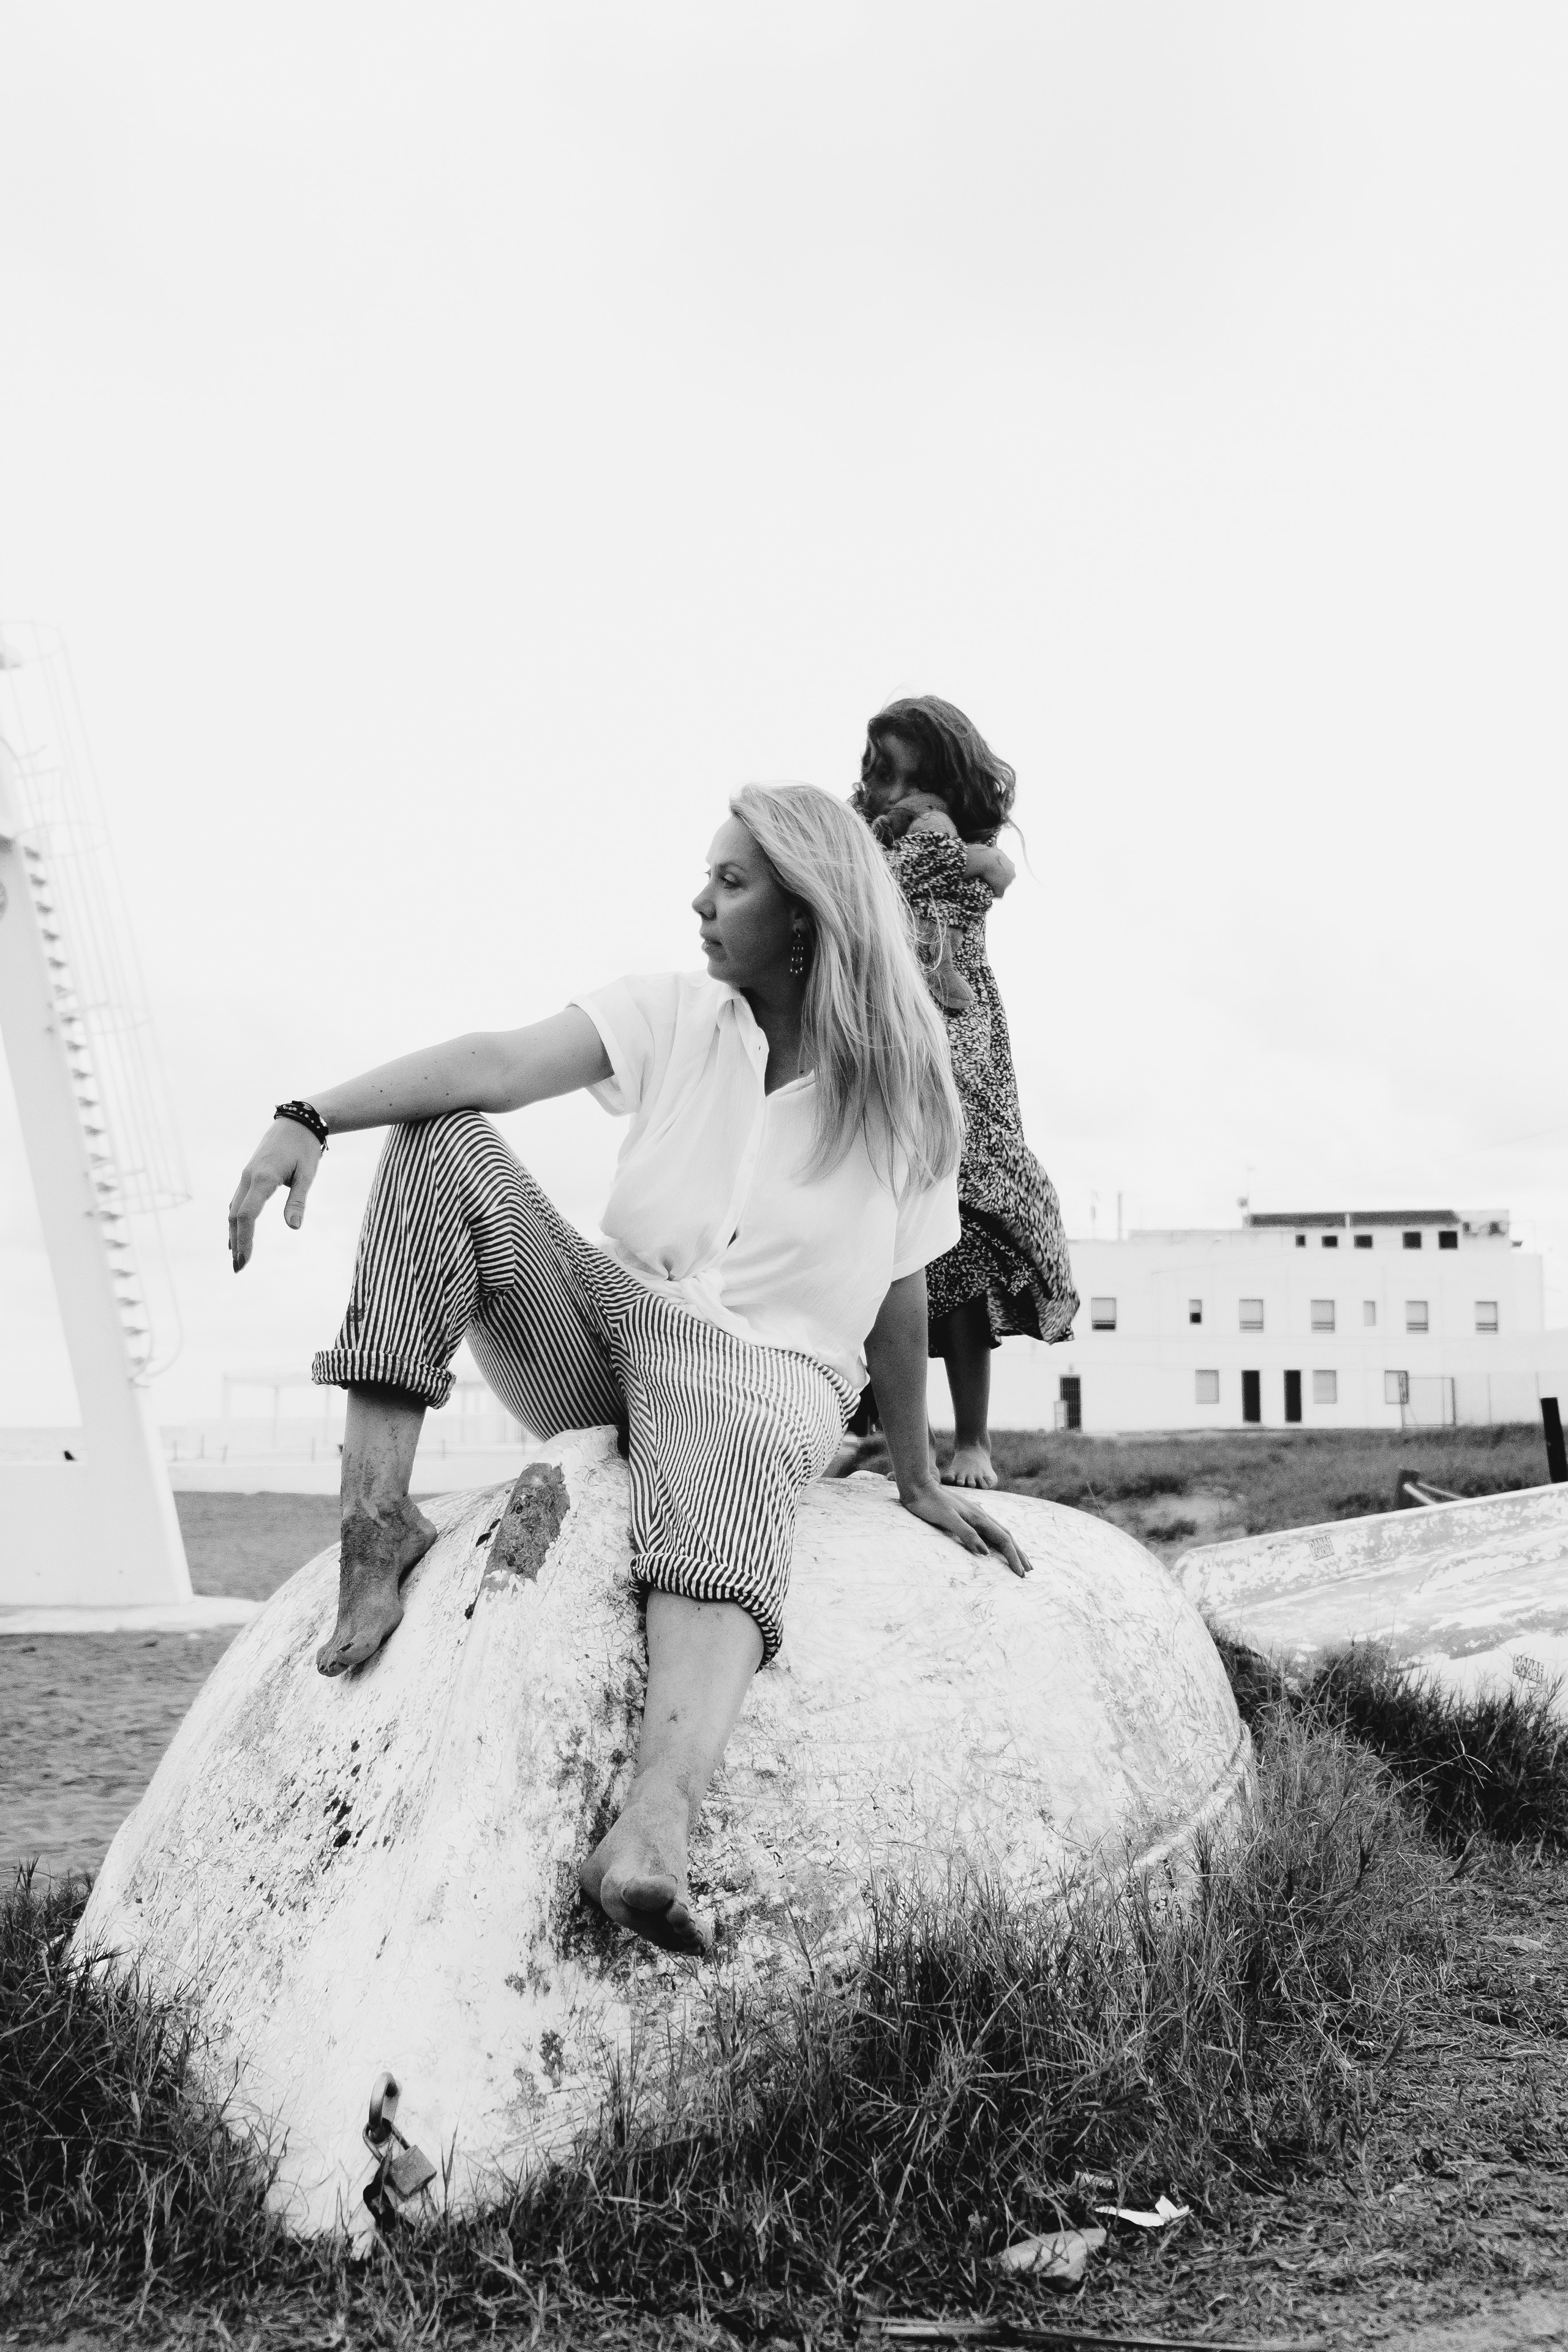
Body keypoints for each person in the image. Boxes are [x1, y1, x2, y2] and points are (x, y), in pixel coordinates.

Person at [227, 783, 1028, 1960]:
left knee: (733, 1414)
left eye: (731, 882)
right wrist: (309, 1114)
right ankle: (376, 1523)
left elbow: (903, 1293)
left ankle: (652, 1829)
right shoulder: (674, 1016)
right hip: (612, 1328)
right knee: (443, 1137)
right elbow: (494, 1062)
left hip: (768, 1380)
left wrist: (916, 1475)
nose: (699, 900)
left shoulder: (910, 1091)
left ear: (804, 914)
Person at [845, 696, 1077, 1490]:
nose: (872, 782)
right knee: (889, 1240)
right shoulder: (885, 834)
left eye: (888, 769)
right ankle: (897, 1426)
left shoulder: (929, 831)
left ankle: (972, 1440)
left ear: (934, 781)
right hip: (904, 1037)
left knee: (953, 1241)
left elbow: (920, 886)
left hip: (951, 1051)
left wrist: (922, 830)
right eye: (870, 766)